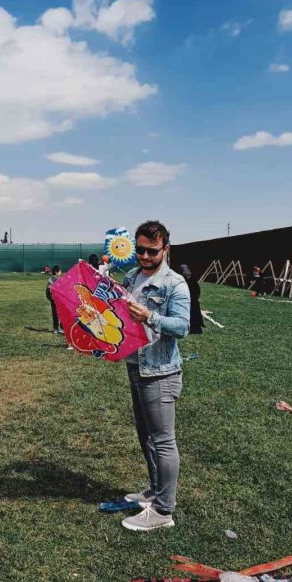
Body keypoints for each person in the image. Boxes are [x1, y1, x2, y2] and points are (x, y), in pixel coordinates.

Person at [119, 220, 190, 532]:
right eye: (141, 250)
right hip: (135, 366)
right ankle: (154, 491)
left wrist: (150, 317)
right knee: (145, 434)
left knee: (163, 440)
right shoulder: (132, 276)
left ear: (166, 249)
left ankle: (163, 509)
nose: (145, 256)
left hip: (160, 372)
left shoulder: (175, 284)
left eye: (152, 251)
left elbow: (183, 327)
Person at [179, 264, 203, 335]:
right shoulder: (183, 280)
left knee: (193, 314)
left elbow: (197, 290)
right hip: (188, 300)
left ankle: (195, 328)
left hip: (192, 300)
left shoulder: (190, 279)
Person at [46, 265, 63, 333]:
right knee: (60, 314)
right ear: (56, 272)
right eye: (60, 271)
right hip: (57, 299)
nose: (61, 272)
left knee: (55, 313)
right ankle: (60, 328)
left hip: (52, 298)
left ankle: (56, 328)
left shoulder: (50, 279)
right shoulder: (58, 279)